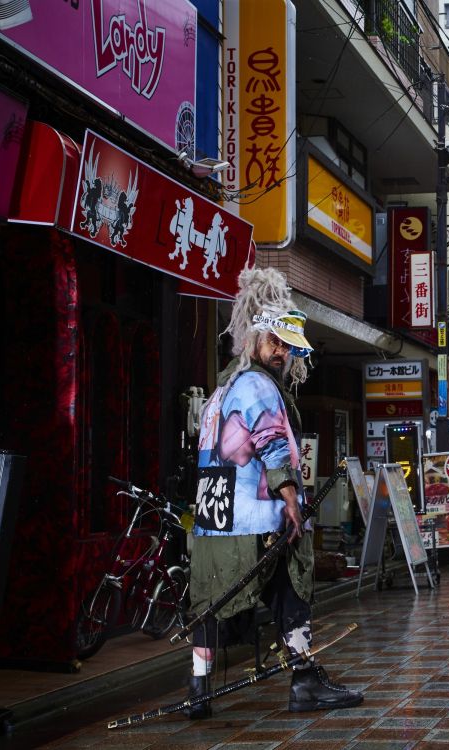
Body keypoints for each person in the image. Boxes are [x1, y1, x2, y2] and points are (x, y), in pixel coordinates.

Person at [186, 267, 362, 719]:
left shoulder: (220, 391)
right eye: (274, 342)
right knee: (291, 591)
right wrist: (290, 500)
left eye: (287, 346)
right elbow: (271, 441)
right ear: (252, 338)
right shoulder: (258, 385)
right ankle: (304, 678)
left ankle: (198, 689)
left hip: (215, 519)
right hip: (255, 520)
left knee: (211, 602)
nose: (282, 353)